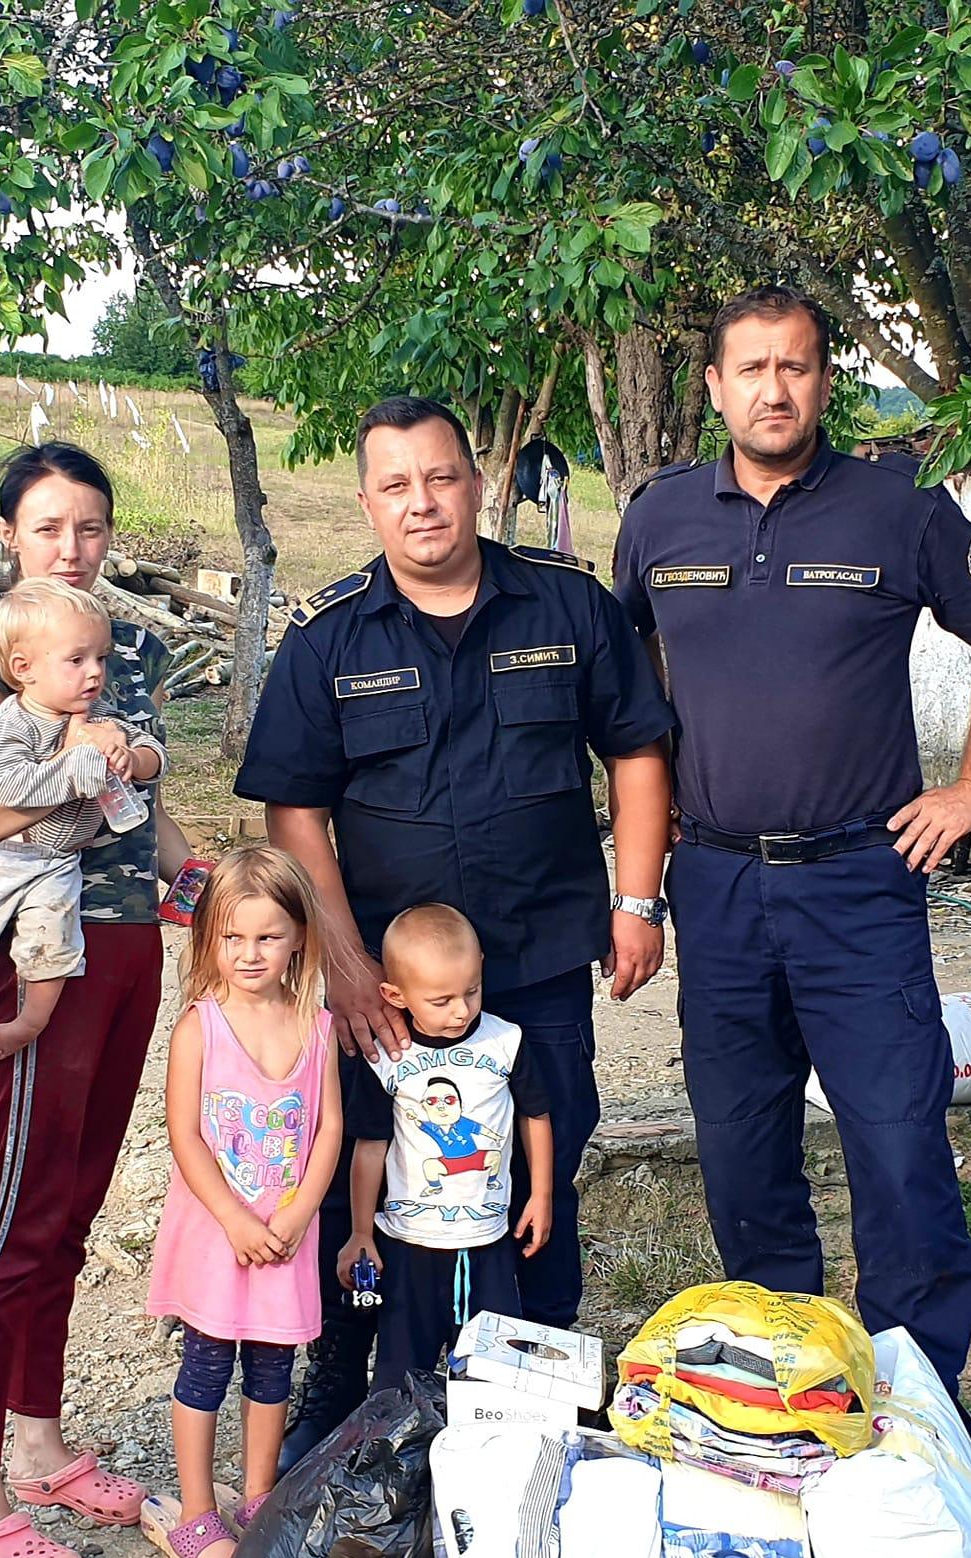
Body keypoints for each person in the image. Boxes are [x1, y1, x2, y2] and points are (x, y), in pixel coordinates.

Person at [614, 285, 971, 1404]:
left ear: (821, 381)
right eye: (749, 368)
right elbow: (627, 702)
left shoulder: (898, 510)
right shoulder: (658, 520)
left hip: (861, 882)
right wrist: (637, 887)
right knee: (743, 1158)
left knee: (898, 1155)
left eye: (794, 367)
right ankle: (787, 1397)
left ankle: (920, 1416)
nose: (772, 388)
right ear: (712, 386)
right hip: (712, 883)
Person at [234, 395, 677, 1467]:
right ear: (366, 503)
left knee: (539, 1166)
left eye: (439, 477)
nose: (421, 503)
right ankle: (347, 1381)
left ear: (476, 484)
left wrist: (635, 901)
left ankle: (537, 1375)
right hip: (382, 988)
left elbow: (634, 748)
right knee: (369, 1176)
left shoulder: (567, 609)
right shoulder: (329, 639)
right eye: (395, 485)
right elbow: (294, 808)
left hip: (529, 967)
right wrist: (338, 961)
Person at [0, 443, 192, 1558]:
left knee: (71, 1208)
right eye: (46, 528)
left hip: (126, 950)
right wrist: (65, 771)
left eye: (88, 527)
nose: (70, 546)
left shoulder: (125, 654)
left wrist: (206, 893)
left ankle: (38, 1446)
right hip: (40, 965)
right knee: (18, 1217)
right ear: (9, 539)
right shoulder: (0, 662)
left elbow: (152, 820)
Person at [141, 845, 342, 1558]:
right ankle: (196, 1511)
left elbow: (328, 1130)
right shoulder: (200, 1027)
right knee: (205, 1367)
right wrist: (233, 1219)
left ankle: (259, 1498)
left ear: (298, 939)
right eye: (232, 937)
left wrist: (296, 1216)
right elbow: (185, 1134)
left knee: (273, 1369)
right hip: (216, 1238)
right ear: (209, 939)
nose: (249, 953)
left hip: (286, 1237)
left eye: (267, 936)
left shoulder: (317, 1026)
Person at [0, 579, 166, 1072]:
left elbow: (157, 758)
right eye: (77, 660)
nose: (94, 673)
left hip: (57, 860)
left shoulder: (101, 719)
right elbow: (10, 788)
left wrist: (133, 757)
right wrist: (75, 767)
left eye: (101, 658)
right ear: (24, 669)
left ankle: (32, 1021)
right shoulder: (12, 721)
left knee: (54, 942)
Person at [336, 904, 553, 1390]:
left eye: (471, 991)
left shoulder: (506, 1042)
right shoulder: (387, 1056)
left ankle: (488, 1453)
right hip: (409, 1241)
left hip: (489, 1240)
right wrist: (360, 1231)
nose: (460, 1010)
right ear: (396, 994)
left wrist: (541, 1195)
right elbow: (370, 1146)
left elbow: (534, 1116)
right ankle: (396, 1458)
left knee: (496, 1370)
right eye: (441, 999)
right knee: (398, 1372)